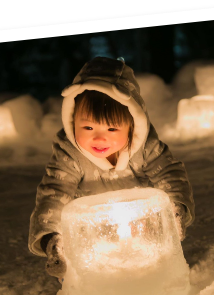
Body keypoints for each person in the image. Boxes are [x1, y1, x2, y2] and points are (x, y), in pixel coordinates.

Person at [28, 57, 195, 281]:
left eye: (112, 128)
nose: (99, 137)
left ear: (132, 124)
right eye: (87, 126)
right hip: (94, 237)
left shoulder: (146, 147)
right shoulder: (70, 154)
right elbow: (55, 191)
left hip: (142, 231)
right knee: (95, 275)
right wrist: (52, 237)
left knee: (151, 271)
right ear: (72, 119)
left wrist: (175, 211)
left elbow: (169, 173)